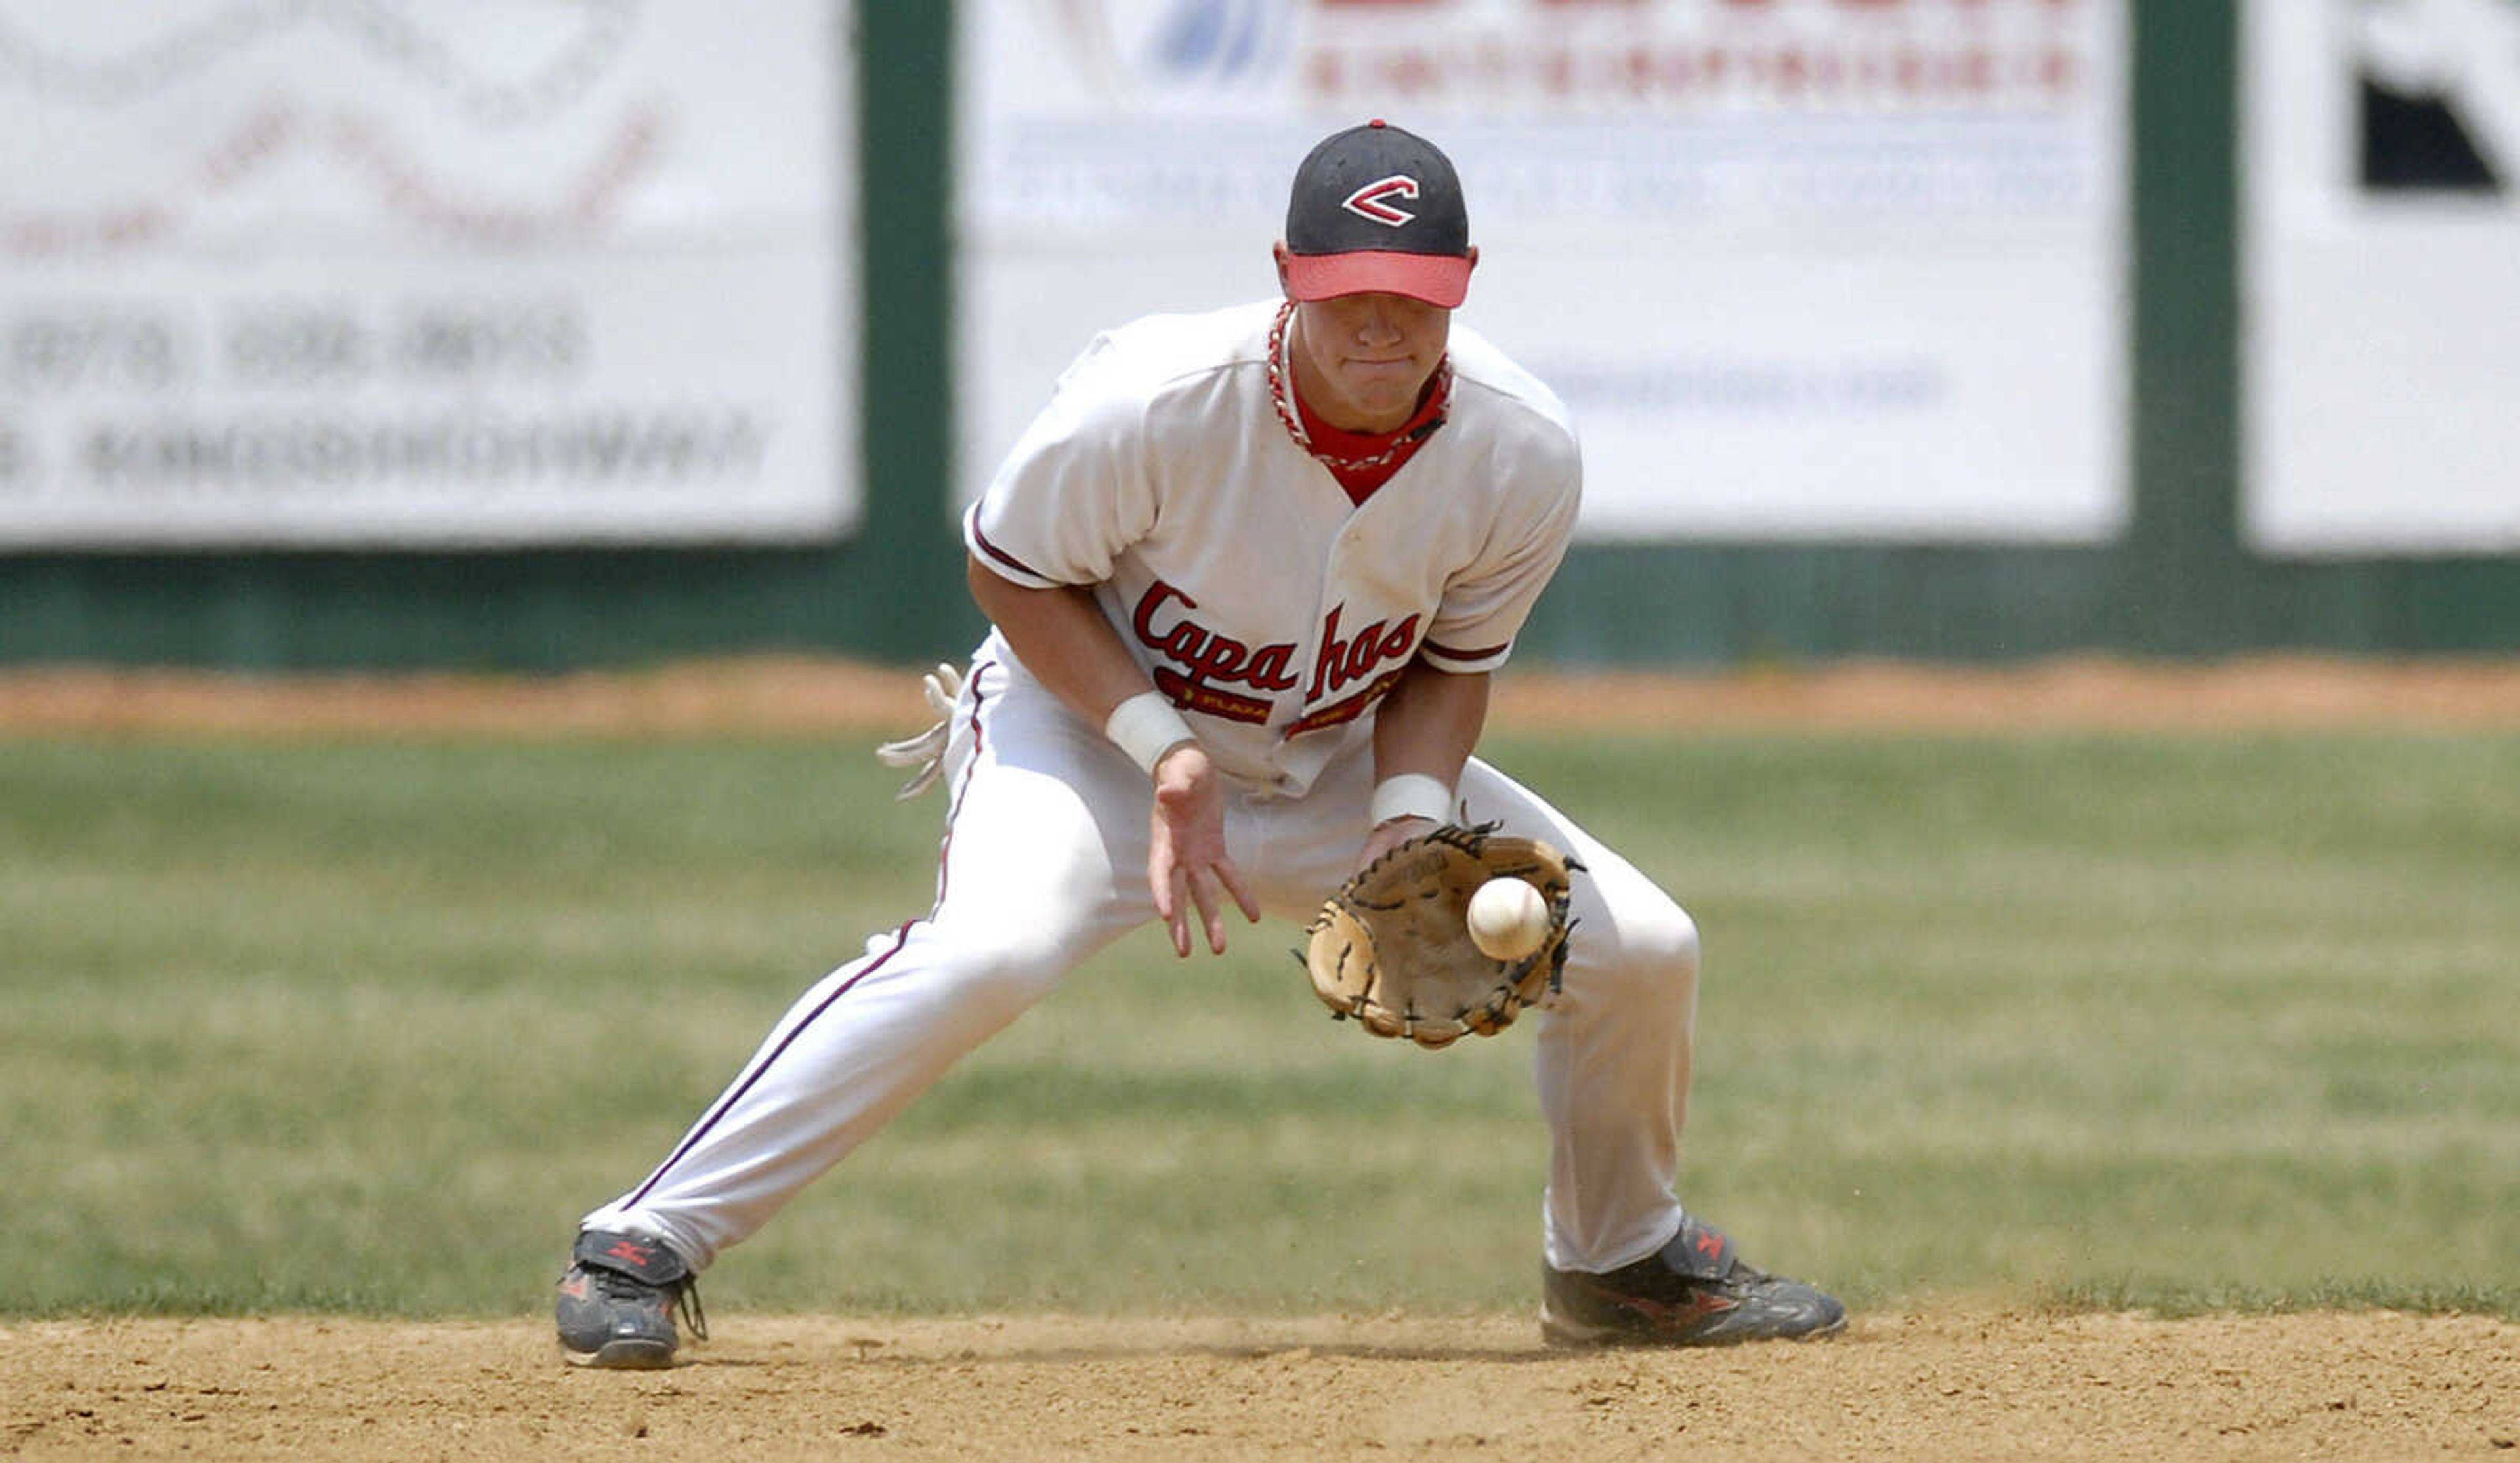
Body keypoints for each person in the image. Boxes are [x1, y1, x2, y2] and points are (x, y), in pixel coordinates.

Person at [555, 120, 1845, 1369]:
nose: (1382, 324)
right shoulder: (1154, 400)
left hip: (1332, 758)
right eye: (1349, 293)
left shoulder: (1520, 450)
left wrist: (1407, 808)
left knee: (1646, 948)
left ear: (1463, 289)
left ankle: (1620, 1264)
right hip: (1086, 737)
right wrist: (1162, 748)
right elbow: (1012, 575)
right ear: (1287, 278)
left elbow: (1453, 666)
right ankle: (641, 1240)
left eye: (1414, 293)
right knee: (994, 947)